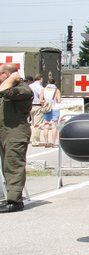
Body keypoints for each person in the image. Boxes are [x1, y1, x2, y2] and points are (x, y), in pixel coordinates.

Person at [0, 63, 32, 213]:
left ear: (7, 75)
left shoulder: (23, 89)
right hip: (4, 132)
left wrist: (12, 78)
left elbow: (4, 91)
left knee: (13, 165)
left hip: (15, 133)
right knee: (5, 166)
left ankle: (15, 201)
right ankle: (7, 196)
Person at [39, 76, 61, 147]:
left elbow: (40, 100)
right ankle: (53, 143)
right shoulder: (57, 90)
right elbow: (59, 100)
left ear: (48, 82)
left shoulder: (43, 90)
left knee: (46, 125)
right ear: (55, 83)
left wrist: (45, 103)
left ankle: (46, 142)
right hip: (55, 108)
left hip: (47, 108)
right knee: (54, 126)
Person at [28, 74, 43, 146]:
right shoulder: (41, 88)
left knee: (31, 124)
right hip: (37, 106)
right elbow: (42, 98)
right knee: (37, 125)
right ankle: (35, 141)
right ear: (41, 79)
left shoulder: (29, 86)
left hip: (30, 106)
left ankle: (29, 139)